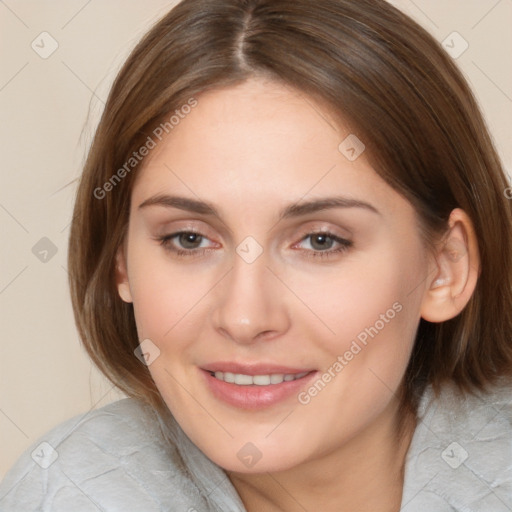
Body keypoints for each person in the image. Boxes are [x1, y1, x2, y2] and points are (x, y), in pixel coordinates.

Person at [1, 0, 511, 510]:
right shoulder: (60, 493)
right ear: (120, 260)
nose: (245, 318)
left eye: (320, 240)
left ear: (445, 268)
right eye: (189, 238)